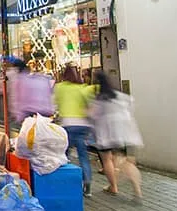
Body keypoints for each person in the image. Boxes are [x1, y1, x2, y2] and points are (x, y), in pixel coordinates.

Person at [90, 71, 144, 202]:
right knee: (125, 161)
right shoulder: (119, 96)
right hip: (123, 133)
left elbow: (92, 115)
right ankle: (137, 191)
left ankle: (113, 187)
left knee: (107, 160)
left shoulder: (99, 98)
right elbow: (131, 105)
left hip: (106, 135)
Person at [54, 64, 95, 197]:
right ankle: (87, 182)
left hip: (67, 125)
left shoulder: (59, 87)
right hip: (83, 125)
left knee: (64, 154)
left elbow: (55, 104)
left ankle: (66, 181)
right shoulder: (82, 88)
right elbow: (89, 104)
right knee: (83, 155)